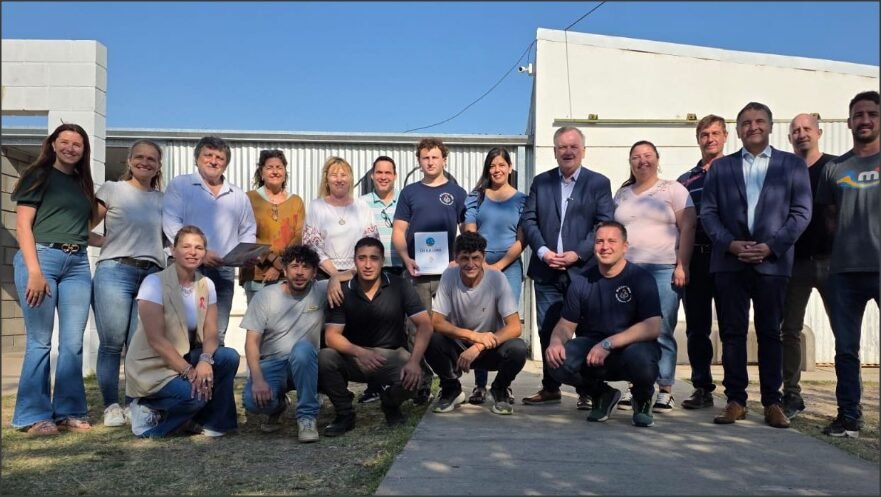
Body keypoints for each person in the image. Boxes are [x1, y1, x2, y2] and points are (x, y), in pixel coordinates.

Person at [701, 102, 812, 429]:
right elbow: (708, 212)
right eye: (746, 122)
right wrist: (730, 244)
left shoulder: (792, 166)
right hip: (729, 263)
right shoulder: (721, 169)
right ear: (737, 130)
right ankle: (735, 400)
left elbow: (801, 213)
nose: (753, 127)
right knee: (732, 334)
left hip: (772, 264)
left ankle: (772, 402)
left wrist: (771, 246)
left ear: (769, 126)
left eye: (759, 121)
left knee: (770, 334)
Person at [11, 123, 99, 435]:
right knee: (40, 341)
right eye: (65, 142)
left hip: (76, 262)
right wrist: (34, 271)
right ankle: (34, 415)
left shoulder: (82, 184)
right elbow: (23, 226)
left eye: (77, 144)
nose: (71, 148)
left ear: (83, 150)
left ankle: (69, 411)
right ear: (53, 144)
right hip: (41, 258)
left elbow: (77, 229)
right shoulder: (38, 175)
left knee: (73, 343)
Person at [520, 126, 614, 408]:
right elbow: (529, 220)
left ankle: (588, 390)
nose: (568, 151)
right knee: (548, 330)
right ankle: (551, 387)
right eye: (562, 147)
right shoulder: (541, 182)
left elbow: (603, 223)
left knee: (585, 332)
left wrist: (578, 253)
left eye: (573, 146)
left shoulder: (598, 183)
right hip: (546, 270)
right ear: (555, 151)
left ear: (583, 150)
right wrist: (543, 250)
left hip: (583, 272)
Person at [125, 226, 241, 438]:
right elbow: (156, 340)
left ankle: (215, 424)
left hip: (184, 355)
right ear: (173, 250)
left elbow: (211, 331)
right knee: (196, 396)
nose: (192, 252)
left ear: (205, 253)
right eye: (186, 246)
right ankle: (148, 415)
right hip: (152, 365)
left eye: (198, 247)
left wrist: (205, 360)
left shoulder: (207, 284)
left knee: (227, 357)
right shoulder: (154, 282)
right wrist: (189, 372)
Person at [545, 221, 661, 428]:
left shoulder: (641, 278)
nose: (604, 247)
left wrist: (609, 343)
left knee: (641, 359)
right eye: (599, 241)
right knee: (558, 361)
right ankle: (602, 394)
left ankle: (642, 398)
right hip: (594, 352)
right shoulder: (581, 281)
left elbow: (653, 326)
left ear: (625, 246)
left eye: (611, 241)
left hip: (631, 348)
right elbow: (565, 325)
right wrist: (555, 342)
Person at [318, 237, 433, 436]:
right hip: (354, 356)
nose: (368, 264)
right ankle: (345, 414)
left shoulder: (400, 286)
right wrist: (360, 353)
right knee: (325, 358)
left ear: (382, 261)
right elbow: (331, 337)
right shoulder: (342, 291)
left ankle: (390, 402)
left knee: (417, 376)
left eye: (374, 258)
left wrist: (414, 361)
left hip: (391, 355)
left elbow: (425, 324)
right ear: (354, 261)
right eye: (362, 258)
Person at [815, 90, 880, 438]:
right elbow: (827, 218)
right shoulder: (834, 169)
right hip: (843, 273)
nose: (865, 120)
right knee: (845, 350)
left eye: (871, 114)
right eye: (858, 114)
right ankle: (848, 417)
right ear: (850, 121)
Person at [613, 141, 696, 412]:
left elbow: (688, 227)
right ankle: (635, 384)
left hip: (663, 269)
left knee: (661, 329)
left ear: (657, 159)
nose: (642, 160)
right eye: (636, 157)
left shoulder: (673, 189)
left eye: (647, 155)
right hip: (629, 271)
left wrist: (682, 264)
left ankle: (665, 388)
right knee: (630, 330)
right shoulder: (623, 194)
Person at [90, 139, 165, 427]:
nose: (145, 163)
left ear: (158, 166)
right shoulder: (112, 189)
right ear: (130, 160)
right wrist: (105, 242)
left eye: (152, 159)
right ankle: (111, 405)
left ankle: (135, 403)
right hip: (115, 271)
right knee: (111, 344)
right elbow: (84, 227)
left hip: (151, 275)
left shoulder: (163, 199)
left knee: (138, 345)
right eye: (140, 157)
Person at [392, 138, 467, 405]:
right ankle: (421, 384)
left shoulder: (457, 193)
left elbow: (469, 230)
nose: (430, 162)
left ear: (444, 159)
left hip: (449, 274)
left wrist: (460, 259)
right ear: (419, 161)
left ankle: (451, 379)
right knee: (415, 329)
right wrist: (405, 257)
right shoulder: (409, 192)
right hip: (417, 273)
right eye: (425, 158)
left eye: (435, 157)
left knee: (446, 330)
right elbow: (399, 231)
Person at [162, 136, 257, 345]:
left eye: (219, 157)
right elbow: (171, 224)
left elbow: (248, 229)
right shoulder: (181, 185)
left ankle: (211, 378)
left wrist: (246, 255)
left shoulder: (238, 195)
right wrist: (200, 254)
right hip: (184, 267)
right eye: (208, 155)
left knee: (216, 333)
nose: (214, 161)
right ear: (197, 159)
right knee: (181, 333)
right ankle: (183, 377)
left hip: (222, 271)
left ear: (226, 163)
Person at [424, 232, 528, 415]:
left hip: (489, 347)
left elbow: (515, 326)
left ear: (484, 258)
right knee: (430, 339)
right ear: (455, 258)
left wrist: (478, 345)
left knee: (519, 349)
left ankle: (500, 389)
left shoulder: (497, 278)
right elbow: (437, 322)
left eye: (475, 258)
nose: (470, 264)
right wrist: (472, 336)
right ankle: (451, 388)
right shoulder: (449, 275)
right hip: (458, 346)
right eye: (464, 258)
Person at [780, 113, 838, 419]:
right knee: (788, 331)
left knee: (843, 333)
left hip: (832, 263)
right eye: (795, 130)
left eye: (806, 129)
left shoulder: (835, 167)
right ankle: (791, 395)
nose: (801, 134)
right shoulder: (784, 171)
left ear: (819, 133)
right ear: (789, 138)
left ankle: (847, 402)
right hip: (794, 263)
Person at [241, 245, 328, 443]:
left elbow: (351, 275)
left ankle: (307, 416)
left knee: (303, 349)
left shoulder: (320, 290)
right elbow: (251, 342)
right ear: (284, 269)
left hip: (305, 362)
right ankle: (279, 405)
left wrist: (336, 279)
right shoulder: (265, 297)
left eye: (306, 267)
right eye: (294, 266)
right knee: (252, 403)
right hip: (272, 363)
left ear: (315, 272)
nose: (299, 272)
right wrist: (257, 380)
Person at [462, 147, 527, 405]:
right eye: (492, 165)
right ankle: (479, 385)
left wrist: (500, 265)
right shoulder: (476, 197)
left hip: (509, 266)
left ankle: (503, 385)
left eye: (501, 165)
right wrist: (480, 263)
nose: (497, 170)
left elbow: (522, 239)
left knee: (504, 323)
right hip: (479, 264)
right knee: (481, 322)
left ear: (510, 168)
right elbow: (469, 232)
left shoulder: (523, 199)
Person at [676, 115, 728, 410]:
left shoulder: (736, 171)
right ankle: (702, 387)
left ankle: (735, 390)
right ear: (698, 139)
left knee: (731, 326)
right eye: (705, 134)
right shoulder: (686, 181)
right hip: (695, 258)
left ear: (725, 136)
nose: (710, 139)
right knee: (697, 327)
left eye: (715, 133)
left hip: (727, 258)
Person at [359, 155, 403, 404]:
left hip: (399, 269)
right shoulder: (362, 203)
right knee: (371, 330)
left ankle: (400, 380)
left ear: (395, 175)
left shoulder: (405, 202)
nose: (384, 176)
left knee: (398, 329)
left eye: (388, 172)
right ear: (373, 176)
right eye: (379, 172)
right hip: (371, 272)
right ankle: (373, 385)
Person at [240, 149, 306, 303]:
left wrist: (279, 265)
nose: (275, 171)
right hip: (256, 273)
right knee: (258, 324)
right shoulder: (248, 198)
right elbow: (244, 234)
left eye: (279, 167)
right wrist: (270, 258)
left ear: (285, 173)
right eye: (270, 168)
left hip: (287, 274)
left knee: (284, 325)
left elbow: (299, 235)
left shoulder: (296, 201)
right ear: (261, 173)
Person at [303, 156, 378, 278]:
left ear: (350, 179)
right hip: (325, 275)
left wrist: (353, 271)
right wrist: (335, 274)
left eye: (343, 175)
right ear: (326, 180)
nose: (339, 180)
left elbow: (372, 242)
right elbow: (312, 245)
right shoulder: (316, 207)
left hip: (357, 274)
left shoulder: (363, 207)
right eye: (334, 175)